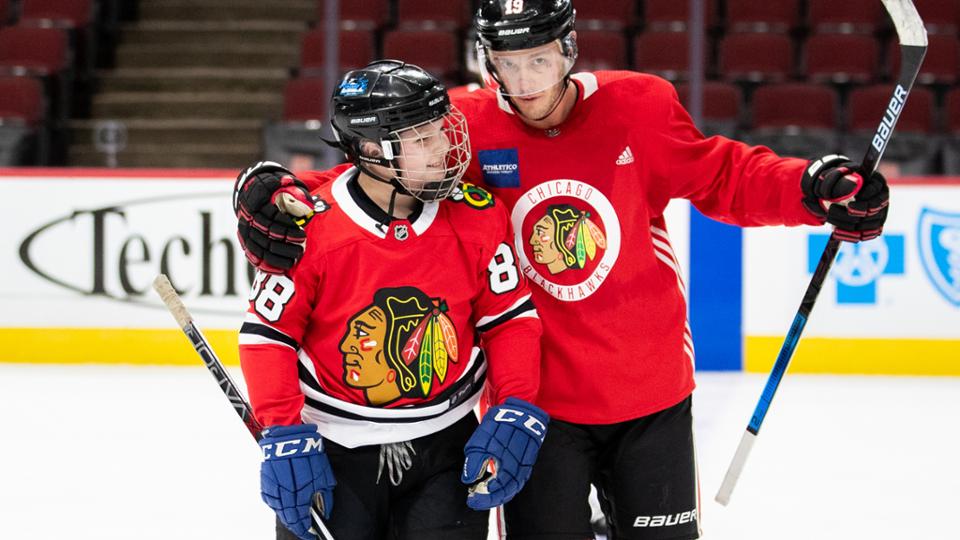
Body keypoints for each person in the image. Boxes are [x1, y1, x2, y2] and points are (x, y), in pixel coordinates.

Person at [235, 2, 890, 538]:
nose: (525, 84)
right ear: (486, 62)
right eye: (507, 65)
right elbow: (372, 177)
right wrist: (274, 193)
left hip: (649, 388)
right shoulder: (463, 124)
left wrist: (812, 188)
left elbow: (725, 173)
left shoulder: (641, 106)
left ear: (569, 50)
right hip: (537, 405)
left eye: (540, 61)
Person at [237, 60, 549, 540]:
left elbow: (508, 319)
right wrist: (283, 433)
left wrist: (516, 405)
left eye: (441, 131)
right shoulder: (311, 229)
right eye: (423, 140)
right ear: (369, 149)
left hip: (449, 450)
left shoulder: (477, 217)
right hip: (334, 451)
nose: (445, 149)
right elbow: (267, 335)